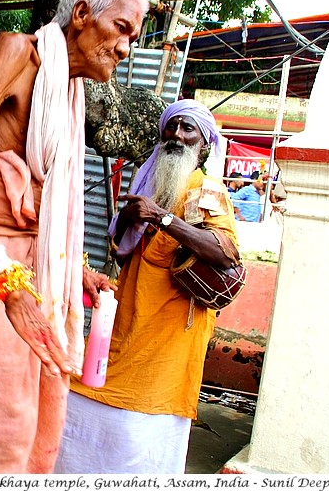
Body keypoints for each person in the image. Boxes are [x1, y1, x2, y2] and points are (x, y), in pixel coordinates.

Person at [0, 0, 148, 474]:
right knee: (3, 413)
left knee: (44, 399)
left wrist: (77, 272)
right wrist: (11, 287)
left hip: (24, 250)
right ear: (84, 16)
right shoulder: (16, 53)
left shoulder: (69, 91)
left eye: (133, 38)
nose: (126, 48)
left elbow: (48, 201)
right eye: (122, 29)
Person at [54, 99, 241, 474]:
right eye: (172, 128)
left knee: (138, 432)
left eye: (188, 129)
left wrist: (162, 217)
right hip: (127, 322)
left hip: (170, 337)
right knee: (79, 408)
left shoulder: (205, 191)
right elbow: (126, 254)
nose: (177, 135)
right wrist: (128, 217)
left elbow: (225, 253)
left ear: (203, 143)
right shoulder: (150, 184)